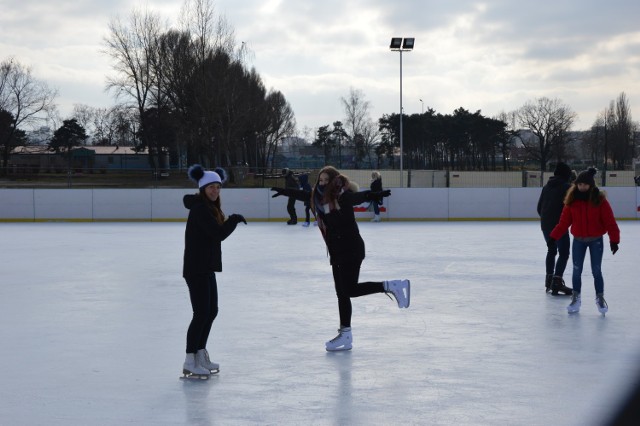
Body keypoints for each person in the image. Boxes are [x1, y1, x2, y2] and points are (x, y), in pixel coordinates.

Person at [271, 165, 410, 351]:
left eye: (326, 181)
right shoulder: (318, 199)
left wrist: (371, 195)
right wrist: (285, 191)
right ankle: (345, 335)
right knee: (341, 293)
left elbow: (355, 198)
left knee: (350, 289)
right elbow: (304, 196)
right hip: (337, 251)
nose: (322, 184)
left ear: (334, 181)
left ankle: (391, 285)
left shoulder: (341, 196)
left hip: (351, 248)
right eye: (320, 180)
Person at [181, 165, 247, 378]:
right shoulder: (200, 208)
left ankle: (200, 354)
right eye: (211, 187)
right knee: (201, 313)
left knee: (211, 312)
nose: (215, 190)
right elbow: (217, 234)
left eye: (218, 187)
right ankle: (190, 359)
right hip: (196, 268)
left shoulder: (209, 208)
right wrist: (234, 220)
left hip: (206, 267)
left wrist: (230, 220)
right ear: (202, 187)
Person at [549, 168, 620, 314]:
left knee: (596, 270)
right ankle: (576, 298)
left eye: (585, 184)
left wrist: (614, 240)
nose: (582, 187)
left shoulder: (599, 200)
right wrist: (553, 237)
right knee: (576, 270)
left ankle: (600, 298)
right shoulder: (572, 200)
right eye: (579, 184)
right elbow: (563, 223)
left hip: (596, 240)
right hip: (578, 241)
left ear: (591, 185)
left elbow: (610, 221)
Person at [537, 162, 573, 295]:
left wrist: (546, 220)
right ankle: (556, 282)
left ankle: (549, 279)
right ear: (566, 175)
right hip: (559, 226)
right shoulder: (567, 187)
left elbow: (539, 207)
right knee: (564, 253)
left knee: (551, 250)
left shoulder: (546, 187)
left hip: (545, 225)